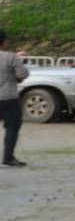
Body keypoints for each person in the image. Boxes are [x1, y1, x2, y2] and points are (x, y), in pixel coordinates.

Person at [0, 30, 29, 167]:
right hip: (8, 98)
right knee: (12, 128)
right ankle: (8, 157)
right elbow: (23, 74)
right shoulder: (10, 57)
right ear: (3, 41)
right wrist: (16, 78)